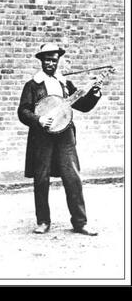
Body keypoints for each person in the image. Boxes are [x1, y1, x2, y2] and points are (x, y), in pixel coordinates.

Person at [18, 43, 103, 236]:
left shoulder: (65, 84)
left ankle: (80, 223)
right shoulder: (32, 85)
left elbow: (82, 105)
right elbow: (22, 111)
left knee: (73, 177)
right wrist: (38, 119)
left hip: (65, 136)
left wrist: (94, 94)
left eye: (54, 60)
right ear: (41, 61)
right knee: (41, 179)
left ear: (58, 61)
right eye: (47, 60)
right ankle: (43, 221)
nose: (50, 63)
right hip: (42, 137)